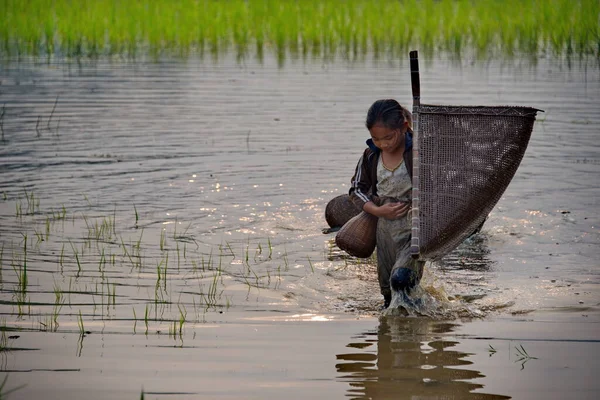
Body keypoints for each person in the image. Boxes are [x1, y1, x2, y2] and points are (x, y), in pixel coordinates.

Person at [348, 99, 425, 309]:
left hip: (415, 228)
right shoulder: (371, 154)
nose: (383, 144)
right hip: (385, 230)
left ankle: (415, 324)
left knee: (401, 279)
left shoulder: (418, 151)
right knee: (388, 293)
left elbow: (438, 186)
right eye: (376, 138)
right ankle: (394, 334)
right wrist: (377, 210)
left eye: (389, 137)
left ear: (404, 127)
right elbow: (357, 189)